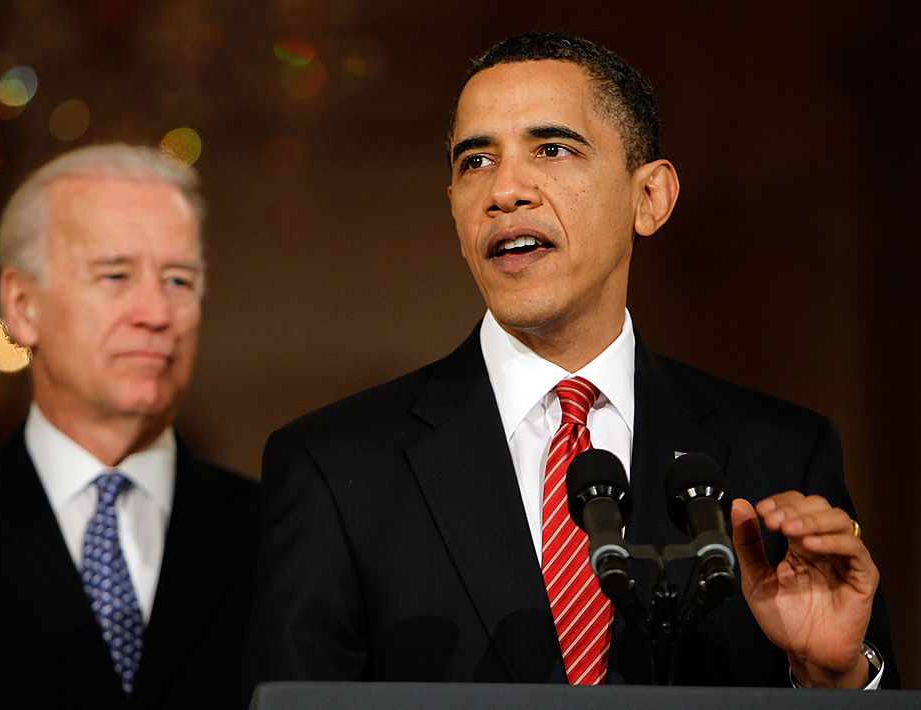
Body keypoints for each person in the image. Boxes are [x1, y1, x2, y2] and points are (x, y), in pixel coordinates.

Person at [242, 32, 898, 697]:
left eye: (552, 150)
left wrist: (833, 677)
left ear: (651, 197)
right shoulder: (337, 468)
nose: (505, 191)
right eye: (475, 162)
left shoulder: (779, 455)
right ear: (454, 211)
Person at [0, 144, 260, 708]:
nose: (157, 313)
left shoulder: (281, 536)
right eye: (115, 275)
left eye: (179, 281)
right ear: (22, 306)